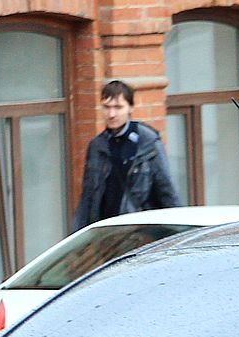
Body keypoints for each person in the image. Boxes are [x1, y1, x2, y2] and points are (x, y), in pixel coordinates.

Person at [70, 80, 181, 232]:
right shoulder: (97, 145)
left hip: (140, 231)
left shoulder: (148, 142)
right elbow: (88, 197)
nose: (111, 114)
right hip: (106, 232)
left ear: (130, 107)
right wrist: (78, 233)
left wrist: (177, 230)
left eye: (118, 107)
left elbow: (166, 191)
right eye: (106, 107)